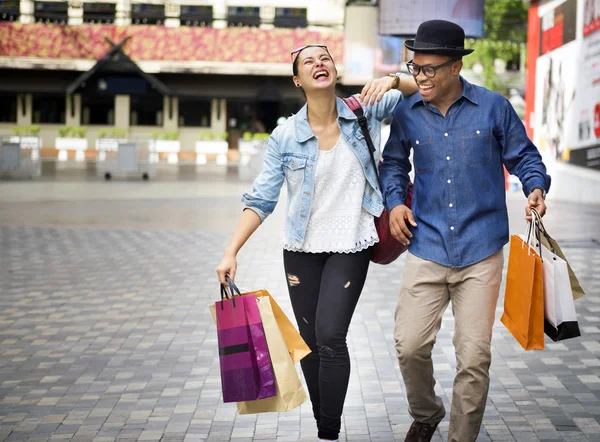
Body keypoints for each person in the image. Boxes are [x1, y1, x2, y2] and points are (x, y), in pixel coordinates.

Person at [216, 44, 418, 441]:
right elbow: (261, 199)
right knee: (309, 343)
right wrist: (230, 251)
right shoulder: (286, 136)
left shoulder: (365, 108)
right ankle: (323, 425)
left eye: (324, 58)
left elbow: (422, 89)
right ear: (298, 80)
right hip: (301, 249)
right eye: (308, 62)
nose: (318, 64)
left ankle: (328, 433)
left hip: (352, 242)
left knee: (330, 335)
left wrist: (393, 78)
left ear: (335, 71)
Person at [379, 20, 551, 442]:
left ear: (455, 67)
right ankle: (427, 411)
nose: (418, 77)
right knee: (409, 345)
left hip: (481, 250)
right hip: (426, 245)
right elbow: (394, 164)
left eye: (429, 69)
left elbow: (526, 158)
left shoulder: (493, 108)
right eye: (414, 67)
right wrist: (396, 202)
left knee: (474, 358)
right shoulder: (407, 113)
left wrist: (535, 189)